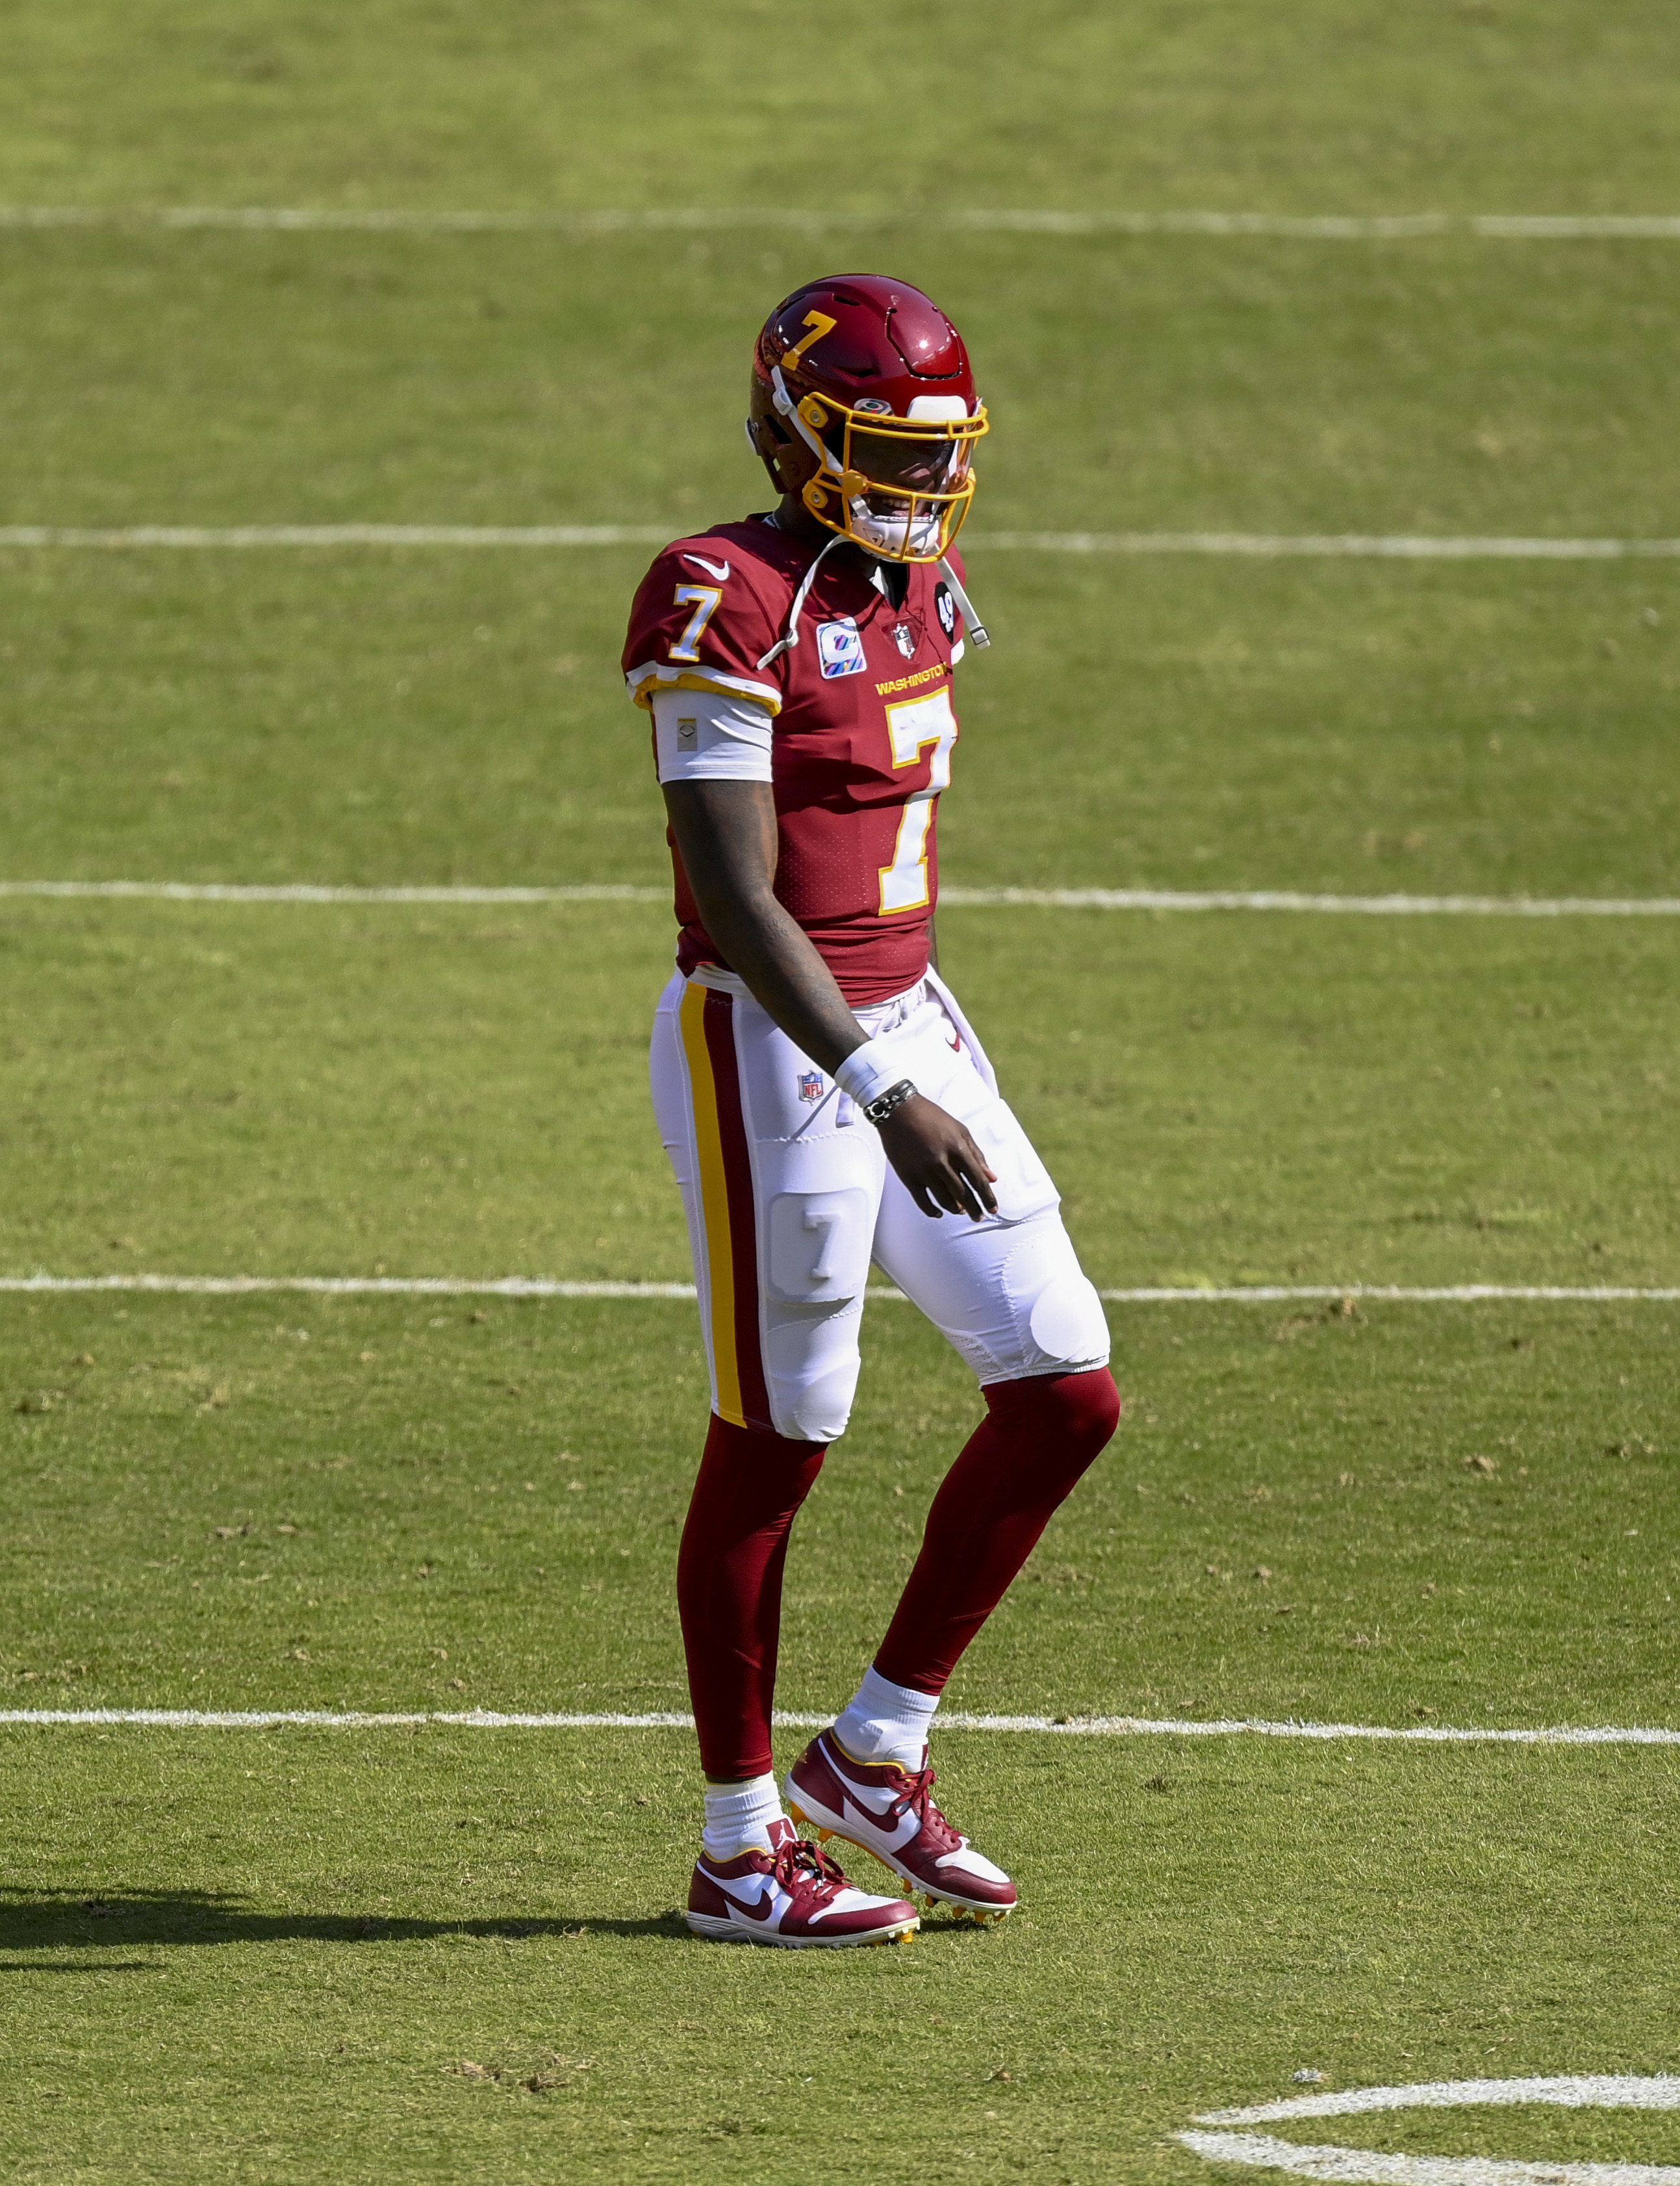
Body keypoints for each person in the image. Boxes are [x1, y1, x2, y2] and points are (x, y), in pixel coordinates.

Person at [620, 274, 1125, 1949]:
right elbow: (734, 887)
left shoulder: (922, 580)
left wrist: (910, 1055)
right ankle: (739, 1841)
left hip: (909, 1020)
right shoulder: (721, 589)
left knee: (1064, 1387)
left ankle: (876, 1754)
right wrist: (877, 1081)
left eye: (933, 451)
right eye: (876, 442)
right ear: (788, 425)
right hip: (776, 1042)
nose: (914, 483)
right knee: (782, 1435)